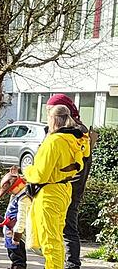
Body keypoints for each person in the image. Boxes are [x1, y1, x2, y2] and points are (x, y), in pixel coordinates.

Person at [23, 104, 90, 269]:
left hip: (49, 192)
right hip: (64, 189)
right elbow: (81, 161)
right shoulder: (76, 138)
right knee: (57, 236)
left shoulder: (54, 141)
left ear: (53, 119)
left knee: (49, 239)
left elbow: (40, 174)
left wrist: (27, 171)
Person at [46, 94, 95, 269]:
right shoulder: (72, 130)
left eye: (50, 111)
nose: (48, 115)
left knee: (67, 228)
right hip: (65, 187)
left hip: (66, 187)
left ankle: (72, 264)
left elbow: (80, 163)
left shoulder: (75, 132)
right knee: (63, 228)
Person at [0, 168, 29, 269]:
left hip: (16, 231)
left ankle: (18, 266)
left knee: (18, 254)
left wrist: (17, 234)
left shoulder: (23, 198)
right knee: (12, 252)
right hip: (10, 230)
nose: (9, 192)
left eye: (10, 190)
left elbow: (22, 217)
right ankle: (15, 264)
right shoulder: (16, 195)